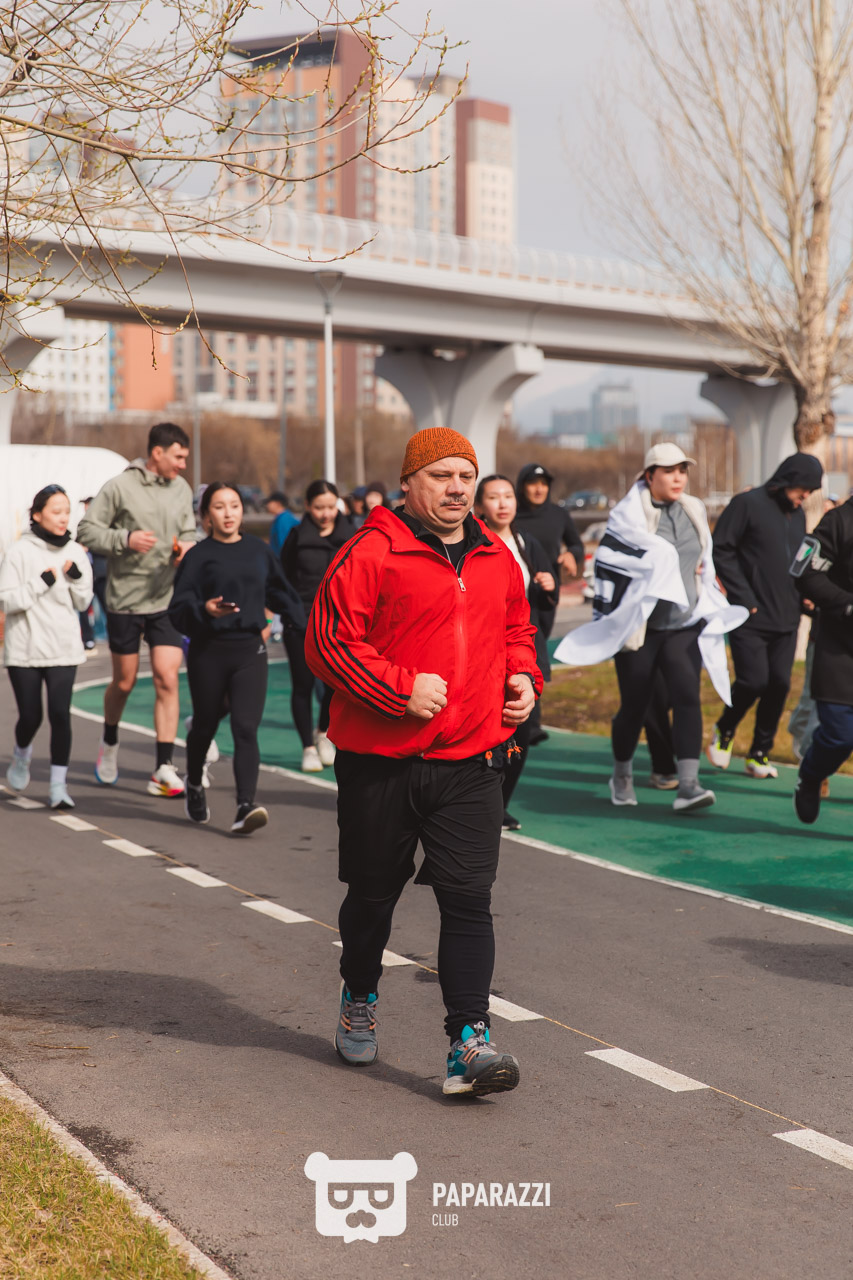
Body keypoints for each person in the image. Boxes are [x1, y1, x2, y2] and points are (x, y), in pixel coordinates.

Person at [305, 427, 541, 1097]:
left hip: (472, 758)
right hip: (381, 760)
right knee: (372, 895)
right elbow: (327, 642)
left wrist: (523, 677)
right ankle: (359, 992)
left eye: (466, 476)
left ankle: (469, 1041)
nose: (457, 488)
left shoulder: (495, 555)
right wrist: (399, 689)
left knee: (468, 899)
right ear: (408, 484)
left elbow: (517, 629)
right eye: (441, 476)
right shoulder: (371, 550)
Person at [555, 443, 748, 813]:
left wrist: (701, 581)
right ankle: (622, 774)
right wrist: (660, 560)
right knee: (635, 705)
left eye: (682, 470)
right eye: (669, 471)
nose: (678, 478)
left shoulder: (693, 509)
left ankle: (688, 785)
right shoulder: (628, 516)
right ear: (649, 475)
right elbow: (610, 557)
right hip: (639, 628)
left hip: (683, 624)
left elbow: (702, 558)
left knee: (688, 698)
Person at [168, 482, 304, 834]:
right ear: (206, 515)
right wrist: (205, 609)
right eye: (219, 506)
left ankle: (246, 805)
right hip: (208, 652)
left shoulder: (259, 551)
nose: (228, 513)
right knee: (205, 725)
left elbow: (281, 592)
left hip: (250, 650)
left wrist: (303, 626)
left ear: (242, 510)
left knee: (245, 727)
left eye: (234, 505)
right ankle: (194, 782)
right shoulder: (198, 556)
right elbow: (178, 609)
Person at [78, 422, 197, 796]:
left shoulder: (182, 489)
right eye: (178, 457)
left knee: (167, 677)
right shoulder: (119, 486)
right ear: (157, 453)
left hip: (166, 599)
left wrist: (187, 548)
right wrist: (125, 538)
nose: (183, 465)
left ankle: (163, 767)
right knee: (125, 682)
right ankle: (110, 739)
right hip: (126, 600)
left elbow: (190, 533)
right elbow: (86, 531)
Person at [707, 453, 823, 778]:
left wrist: (806, 598)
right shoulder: (747, 504)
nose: (805, 496)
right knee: (753, 680)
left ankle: (759, 753)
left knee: (779, 684)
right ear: (788, 478)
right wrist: (744, 597)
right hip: (749, 616)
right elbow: (721, 549)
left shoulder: (797, 515)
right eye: (803, 488)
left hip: (787, 618)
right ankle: (725, 728)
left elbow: (797, 562)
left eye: (811, 492)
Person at [0, 485, 93, 810]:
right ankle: (21, 755)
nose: (63, 517)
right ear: (37, 514)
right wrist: (40, 583)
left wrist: (77, 579)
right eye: (56, 511)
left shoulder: (75, 552)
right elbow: (5, 600)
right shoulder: (19, 552)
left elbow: (83, 602)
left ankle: (58, 787)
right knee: (31, 716)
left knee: (59, 715)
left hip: (63, 647)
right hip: (24, 649)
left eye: (66, 511)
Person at [475, 473, 557, 830]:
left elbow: (543, 598)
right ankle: (481, 802)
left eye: (508, 496)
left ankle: (501, 804)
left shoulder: (527, 543)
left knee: (521, 731)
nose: (503, 503)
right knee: (486, 731)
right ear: (480, 505)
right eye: (494, 497)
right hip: (483, 652)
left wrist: (548, 585)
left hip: (522, 651)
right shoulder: (473, 541)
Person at [280, 480, 354, 772]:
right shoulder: (297, 537)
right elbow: (282, 579)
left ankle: (323, 733)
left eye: (331, 507)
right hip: (301, 620)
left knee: (335, 683)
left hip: (338, 622)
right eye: (319, 507)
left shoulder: (351, 535)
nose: (326, 514)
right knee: (303, 684)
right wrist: (289, 614)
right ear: (308, 507)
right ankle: (307, 747)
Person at [790, 492, 853, 822]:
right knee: (840, 736)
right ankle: (811, 775)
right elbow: (804, 572)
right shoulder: (839, 521)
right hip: (840, 650)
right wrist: (846, 604)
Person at [513, 462, 584, 746]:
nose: (539, 489)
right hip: (517, 593)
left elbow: (576, 543)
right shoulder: (511, 513)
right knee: (530, 646)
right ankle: (530, 723)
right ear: (522, 487)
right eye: (532, 483)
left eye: (544, 484)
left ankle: (529, 718)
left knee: (536, 643)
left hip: (546, 594)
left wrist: (571, 555)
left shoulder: (558, 514)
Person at [78, 496, 108, 652]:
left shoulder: (104, 526)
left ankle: (113, 634)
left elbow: (108, 545)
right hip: (85, 575)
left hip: (101, 573)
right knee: (83, 607)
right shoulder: (82, 526)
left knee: (107, 607)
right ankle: (88, 639)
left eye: (88, 505)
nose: (86, 509)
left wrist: (90, 546)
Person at [264, 491, 299, 558]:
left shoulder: (284, 520)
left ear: (278, 504)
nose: (267, 505)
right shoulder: (281, 518)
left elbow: (284, 545)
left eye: (269, 502)